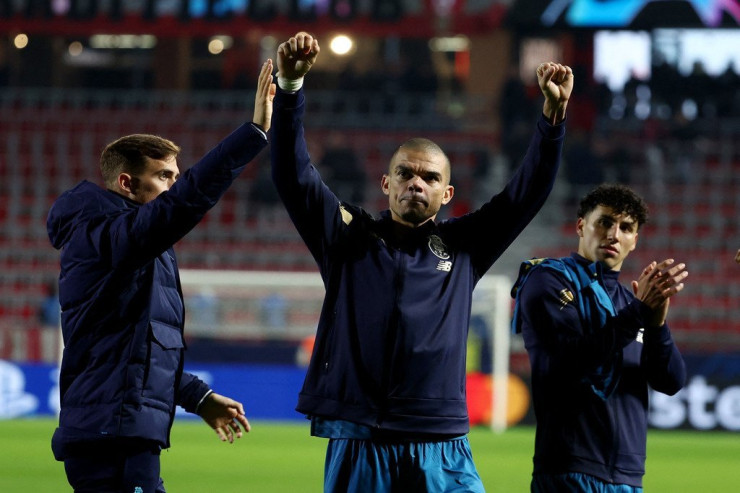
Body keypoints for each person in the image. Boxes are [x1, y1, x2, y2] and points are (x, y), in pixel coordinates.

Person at [270, 31, 573, 492]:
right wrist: (291, 91)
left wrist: (551, 122)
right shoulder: (347, 238)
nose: (416, 182)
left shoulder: (466, 244)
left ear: (446, 193)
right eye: (405, 173)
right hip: (361, 436)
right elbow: (294, 176)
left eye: (429, 177)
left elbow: (523, 196)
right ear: (386, 183)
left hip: (441, 437)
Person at [46, 59, 276, 492]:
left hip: (121, 429)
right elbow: (181, 205)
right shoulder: (103, 235)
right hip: (108, 434)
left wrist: (199, 397)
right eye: (164, 176)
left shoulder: (136, 246)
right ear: (128, 183)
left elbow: (136, 351)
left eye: (175, 175)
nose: (174, 184)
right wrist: (252, 135)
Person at [511, 184, 688, 492]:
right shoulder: (549, 280)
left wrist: (657, 324)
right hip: (569, 469)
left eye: (626, 228)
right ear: (581, 225)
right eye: (605, 222)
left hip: (628, 478)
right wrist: (638, 313)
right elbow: (569, 360)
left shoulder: (630, 301)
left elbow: (670, 381)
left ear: (634, 241)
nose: (614, 234)